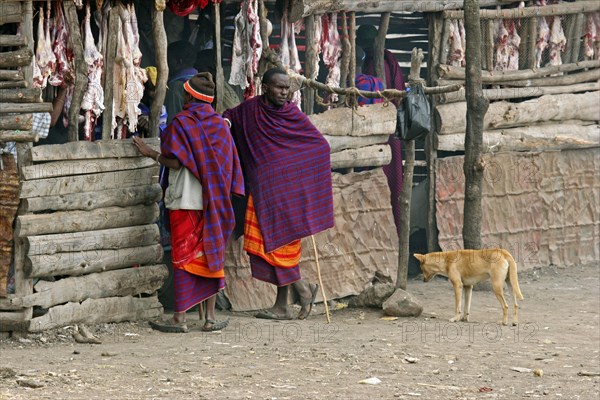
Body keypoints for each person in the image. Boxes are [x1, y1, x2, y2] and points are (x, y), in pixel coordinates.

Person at [133, 72, 244, 333]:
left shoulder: (182, 122)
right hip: (215, 199)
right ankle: (209, 319)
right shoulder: (220, 125)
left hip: (186, 198)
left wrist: (151, 153)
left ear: (189, 96)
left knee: (183, 256)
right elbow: (229, 165)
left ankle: (180, 318)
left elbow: (176, 160)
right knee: (211, 254)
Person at [223, 67, 334, 320]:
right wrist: (225, 122)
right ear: (265, 87)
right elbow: (230, 116)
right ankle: (291, 297)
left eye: (287, 88)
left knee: (281, 244)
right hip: (263, 191)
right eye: (279, 87)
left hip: (287, 193)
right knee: (263, 244)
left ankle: (295, 295)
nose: (284, 92)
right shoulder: (250, 110)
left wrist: (295, 175)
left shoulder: (291, 114)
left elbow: (319, 147)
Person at [356, 24, 406, 238]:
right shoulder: (368, 61)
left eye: (369, 41)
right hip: (373, 133)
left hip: (385, 133)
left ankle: (390, 233)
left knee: (389, 185)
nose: (367, 45)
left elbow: (394, 95)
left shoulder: (385, 62)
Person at [164, 41, 198, 124]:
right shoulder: (200, 82)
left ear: (179, 62)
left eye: (168, 59)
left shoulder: (175, 87)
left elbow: (171, 122)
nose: (166, 63)